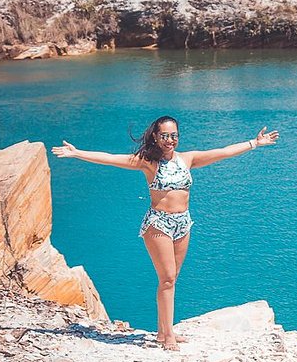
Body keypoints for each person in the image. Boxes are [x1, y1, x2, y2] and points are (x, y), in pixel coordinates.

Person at [51, 116, 279, 350]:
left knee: (171, 280)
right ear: (155, 137)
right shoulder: (148, 162)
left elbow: (223, 151)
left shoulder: (187, 159)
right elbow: (111, 159)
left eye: (174, 136)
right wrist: (77, 153)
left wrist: (255, 143)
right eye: (164, 136)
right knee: (167, 278)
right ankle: (168, 335)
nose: (170, 140)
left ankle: (163, 332)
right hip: (158, 224)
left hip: (183, 223)